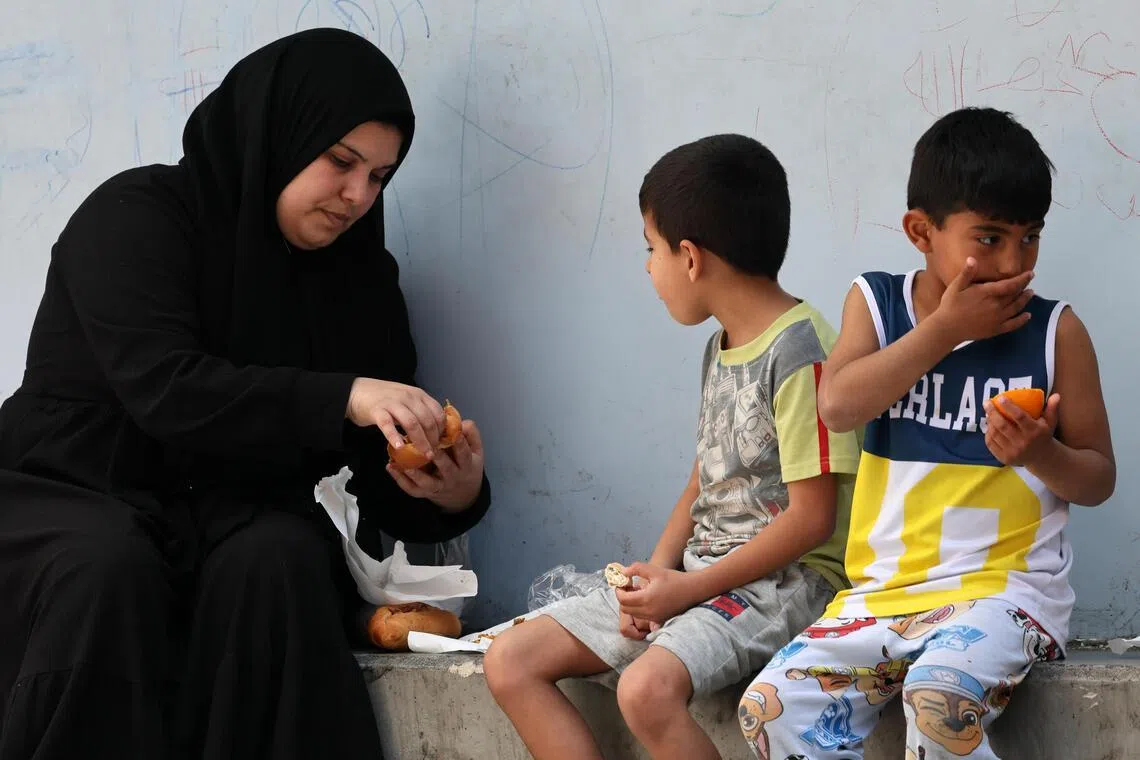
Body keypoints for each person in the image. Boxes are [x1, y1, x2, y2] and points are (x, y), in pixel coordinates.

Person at [0, 28, 490, 760]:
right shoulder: (138, 216)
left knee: (281, 561)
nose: (357, 196)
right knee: (106, 567)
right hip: (73, 491)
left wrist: (448, 492)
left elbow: (367, 479)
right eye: (341, 162)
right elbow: (166, 388)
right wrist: (344, 395)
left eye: (380, 177)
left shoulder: (360, 283)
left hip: (231, 513)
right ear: (277, 133)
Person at [740, 107, 1116, 760]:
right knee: (769, 711)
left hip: (1004, 598)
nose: (1013, 261)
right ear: (921, 230)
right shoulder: (878, 305)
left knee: (937, 704)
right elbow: (837, 406)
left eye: (1029, 239)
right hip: (881, 600)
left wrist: (1041, 453)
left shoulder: (1057, 333)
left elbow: (1098, 478)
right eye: (991, 238)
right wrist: (944, 330)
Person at [484, 134, 862, 760]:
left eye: (650, 248)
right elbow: (702, 479)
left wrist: (684, 591)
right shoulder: (722, 345)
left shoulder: (802, 354)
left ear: (689, 257)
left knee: (645, 691)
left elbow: (812, 519)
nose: (648, 268)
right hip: (699, 578)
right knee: (511, 659)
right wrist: (654, 579)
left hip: (784, 584)